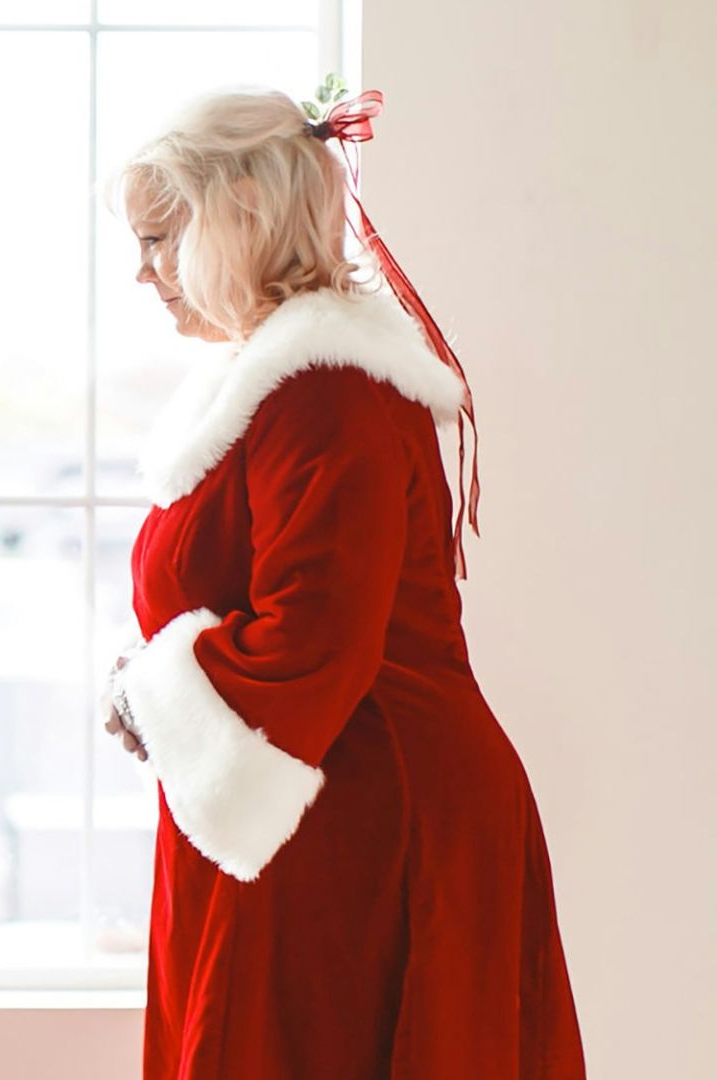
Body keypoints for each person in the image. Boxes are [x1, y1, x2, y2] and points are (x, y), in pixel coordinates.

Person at [103, 87, 586, 1078]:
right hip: (321, 814)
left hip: (362, 827)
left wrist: (146, 691)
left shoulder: (325, 388)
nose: (142, 273)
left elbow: (312, 643)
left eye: (160, 239)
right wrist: (156, 691)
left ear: (238, 215)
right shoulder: (288, 379)